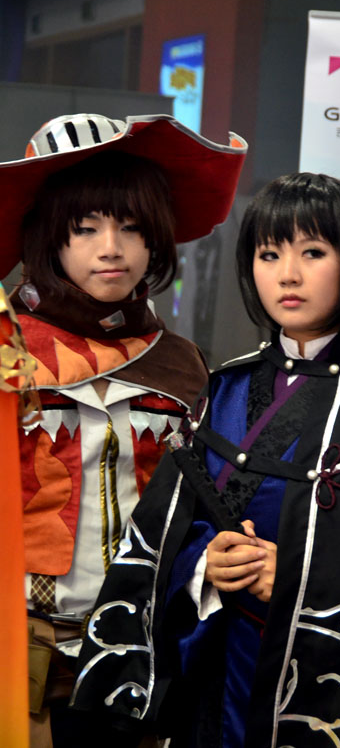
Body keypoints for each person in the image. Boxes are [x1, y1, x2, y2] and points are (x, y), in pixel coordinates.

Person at [73, 173, 340, 747]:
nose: (287, 275)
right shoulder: (225, 388)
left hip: (326, 697)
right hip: (217, 680)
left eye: (313, 253)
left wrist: (297, 579)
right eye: (269, 254)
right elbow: (162, 534)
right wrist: (203, 567)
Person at [0, 112, 247, 746]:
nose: (111, 247)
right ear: (48, 236)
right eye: (85, 228)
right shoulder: (6, 352)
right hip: (19, 648)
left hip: (143, 648)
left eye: (132, 227)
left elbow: (200, 507)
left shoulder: (184, 364)